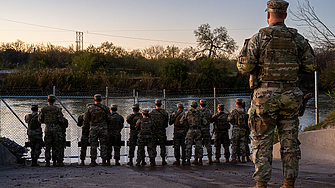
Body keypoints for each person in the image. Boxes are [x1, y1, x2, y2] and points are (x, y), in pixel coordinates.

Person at [237, 0, 315, 187]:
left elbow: (245, 66)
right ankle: (289, 183)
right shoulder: (298, 39)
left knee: (262, 141)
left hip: (265, 98)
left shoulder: (258, 38)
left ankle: (261, 185)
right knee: (289, 143)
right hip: (291, 97)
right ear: (285, 16)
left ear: (268, 15)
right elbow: (311, 65)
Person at [83, 94, 111, 166]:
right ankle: (104, 161)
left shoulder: (90, 108)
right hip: (103, 128)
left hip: (93, 128)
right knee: (104, 145)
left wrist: (86, 128)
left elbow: (85, 119)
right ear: (101, 100)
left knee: (93, 145)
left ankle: (93, 161)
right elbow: (109, 119)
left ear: (94, 100)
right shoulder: (105, 108)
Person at [38, 94, 66, 167]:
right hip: (56, 129)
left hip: (48, 128)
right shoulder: (57, 109)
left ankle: (47, 162)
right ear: (54, 101)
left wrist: (46, 122)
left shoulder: (43, 109)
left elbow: (39, 119)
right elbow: (61, 120)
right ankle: (55, 161)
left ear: (48, 100)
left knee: (48, 146)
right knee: (56, 145)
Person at [180, 101, 207, 165]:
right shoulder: (200, 113)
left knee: (188, 146)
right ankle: (199, 159)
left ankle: (188, 160)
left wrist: (186, 124)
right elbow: (205, 122)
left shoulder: (187, 113)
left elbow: (181, 121)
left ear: (191, 106)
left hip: (190, 130)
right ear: (197, 106)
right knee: (199, 145)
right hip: (198, 130)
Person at [228, 98, 248, 164]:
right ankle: (243, 158)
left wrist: (234, 123)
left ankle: (234, 158)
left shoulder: (234, 111)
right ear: (242, 103)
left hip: (236, 129)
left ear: (236, 103)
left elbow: (229, 119)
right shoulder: (245, 111)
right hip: (243, 129)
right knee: (242, 144)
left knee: (234, 144)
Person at [149, 99, 168, 165]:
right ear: (161, 104)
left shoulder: (152, 113)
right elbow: (166, 122)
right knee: (162, 145)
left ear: (155, 104)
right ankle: (163, 159)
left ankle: (152, 160)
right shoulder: (164, 112)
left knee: (153, 146)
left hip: (154, 131)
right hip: (162, 131)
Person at [199, 99, 213, 164]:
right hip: (207, 129)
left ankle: (199, 159)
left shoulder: (198, 112)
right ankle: (210, 158)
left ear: (200, 105)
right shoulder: (209, 111)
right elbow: (211, 118)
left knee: (199, 145)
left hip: (199, 130)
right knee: (208, 144)